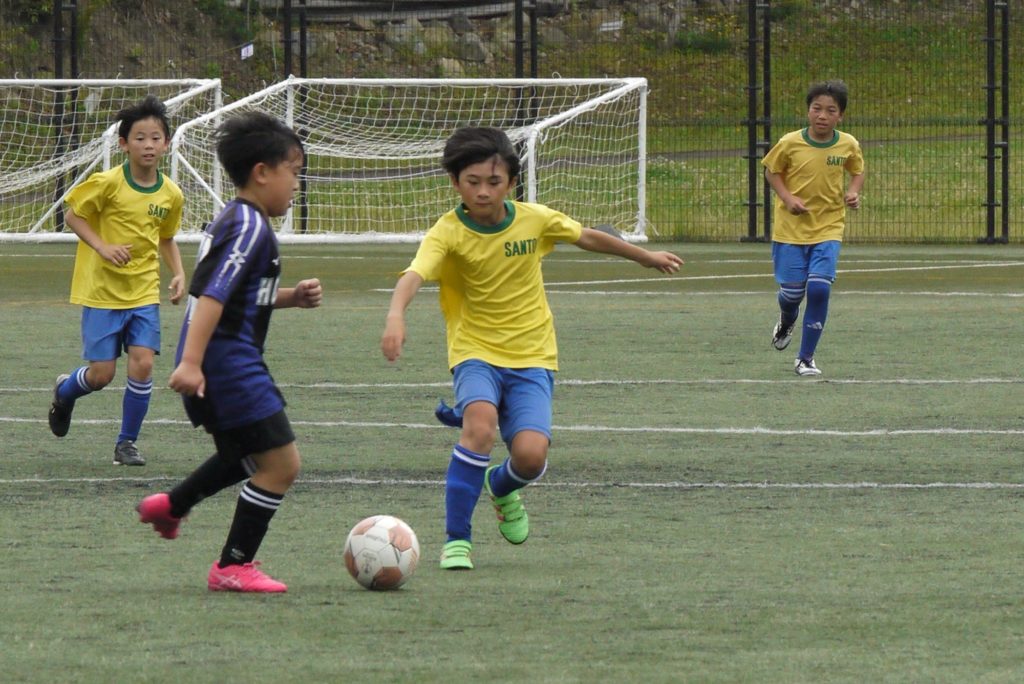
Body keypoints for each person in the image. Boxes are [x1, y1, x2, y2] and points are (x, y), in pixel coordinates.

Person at [380, 126, 683, 570]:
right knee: (479, 429)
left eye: (494, 182)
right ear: (455, 182)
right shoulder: (447, 232)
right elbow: (415, 274)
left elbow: (587, 236)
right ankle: (457, 540)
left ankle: (501, 486)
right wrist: (395, 315)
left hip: (533, 355)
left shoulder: (535, 219)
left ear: (511, 183)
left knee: (530, 457)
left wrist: (645, 256)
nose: (483, 192)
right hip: (475, 351)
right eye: (472, 182)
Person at [136, 111, 322, 593]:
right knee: (281, 464)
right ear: (261, 172)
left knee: (243, 453)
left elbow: (240, 294)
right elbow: (212, 295)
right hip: (226, 364)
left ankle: (172, 506)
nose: (296, 184)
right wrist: (191, 363)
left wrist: (290, 298)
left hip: (221, 361)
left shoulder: (240, 220)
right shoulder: (249, 227)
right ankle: (233, 565)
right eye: (293, 171)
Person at [48, 95, 186, 466]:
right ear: (124, 144)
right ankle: (65, 392)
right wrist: (102, 246)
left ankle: (126, 443)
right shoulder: (108, 183)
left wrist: (178, 273)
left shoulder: (171, 194)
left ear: (166, 144)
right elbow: (73, 215)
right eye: (140, 138)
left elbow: (166, 237)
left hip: (143, 292)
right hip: (103, 293)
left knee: (143, 364)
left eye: (156, 138)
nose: (148, 145)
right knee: (101, 375)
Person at [763, 79, 865, 377]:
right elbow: (771, 171)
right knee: (792, 294)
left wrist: (853, 192)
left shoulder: (848, 144)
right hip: (790, 230)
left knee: (819, 289)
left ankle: (805, 358)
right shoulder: (789, 142)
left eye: (830, 110)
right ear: (808, 111)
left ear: (840, 116)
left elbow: (857, 171)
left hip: (828, 227)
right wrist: (787, 198)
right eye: (816, 108)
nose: (822, 115)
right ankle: (787, 319)